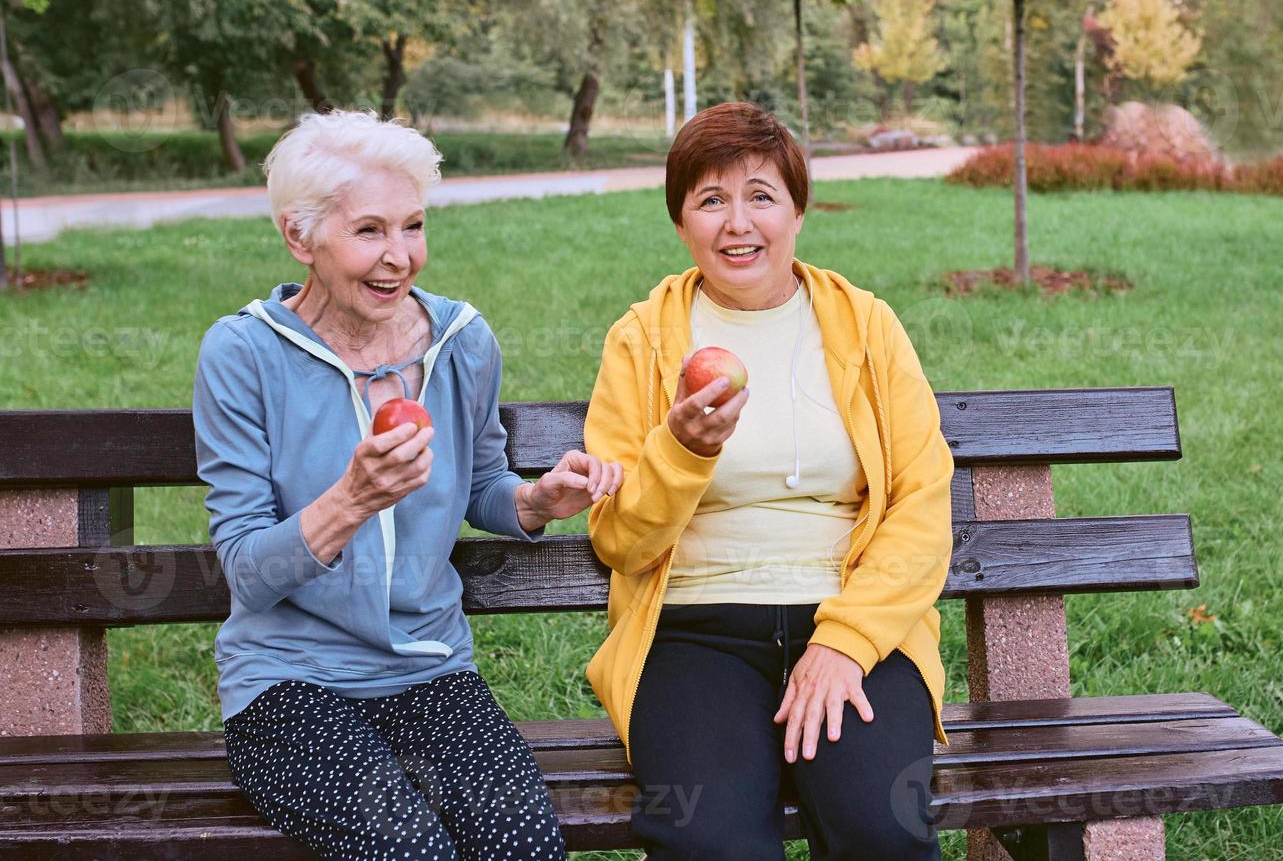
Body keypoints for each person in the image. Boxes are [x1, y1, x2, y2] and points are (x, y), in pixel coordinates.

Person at [193, 109, 623, 860]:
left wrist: (532, 501)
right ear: (300, 238)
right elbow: (247, 575)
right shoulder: (243, 354)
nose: (399, 257)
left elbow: (482, 479)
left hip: (430, 667)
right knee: (407, 848)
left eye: (413, 226)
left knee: (522, 845)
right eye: (369, 231)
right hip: (290, 683)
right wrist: (352, 497)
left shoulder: (461, 343)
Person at [583, 102, 953, 860]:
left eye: (760, 195)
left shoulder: (865, 326)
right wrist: (681, 450)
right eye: (710, 200)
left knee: (883, 830)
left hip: (852, 626)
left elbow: (920, 501)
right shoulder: (643, 340)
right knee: (711, 845)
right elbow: (620, 541)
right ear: (680, 223)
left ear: (797, 210)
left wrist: (845, 644)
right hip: (693, 631)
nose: (736, 223)